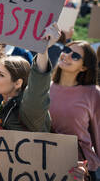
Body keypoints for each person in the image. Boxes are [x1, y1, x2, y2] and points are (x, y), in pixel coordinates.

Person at [49, 40, 100, 179]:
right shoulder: (47, 87)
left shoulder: (93, 93)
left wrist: (88, 170)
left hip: (80, 169)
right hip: (46, 163)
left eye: (75, 56)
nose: (67, 55)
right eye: (66, 50)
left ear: (84, 67)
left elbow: (98, 136)